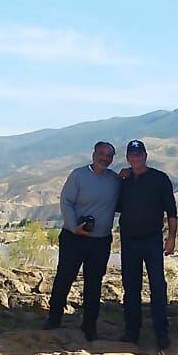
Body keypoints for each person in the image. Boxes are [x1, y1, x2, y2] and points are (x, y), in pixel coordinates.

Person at [43, 141, 121, 341]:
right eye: (101, 154)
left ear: (112, 159)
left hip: (101, 241)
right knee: (65, 277)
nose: (105, 158)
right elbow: (66, 201)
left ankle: (89, 325)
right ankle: (54, 319)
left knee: (94, 283)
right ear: (94, 154)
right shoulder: (78, 175)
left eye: (109, 155)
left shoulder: (115, 180)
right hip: (74, 237)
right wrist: (73, 226)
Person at [116, 139, 178, 351]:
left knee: (157, 286)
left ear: (145, 156)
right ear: (127, 158)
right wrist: (118, 178)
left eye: (139, 154)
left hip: (152, 240)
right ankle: (132, 331)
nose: (136, 158)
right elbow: (112, 205)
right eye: (132, 155)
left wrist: (171, 237)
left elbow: (171, 211)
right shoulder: (124, 181)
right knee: (130, 287)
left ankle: (161, 332)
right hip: (128, 240)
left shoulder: (159, 179)